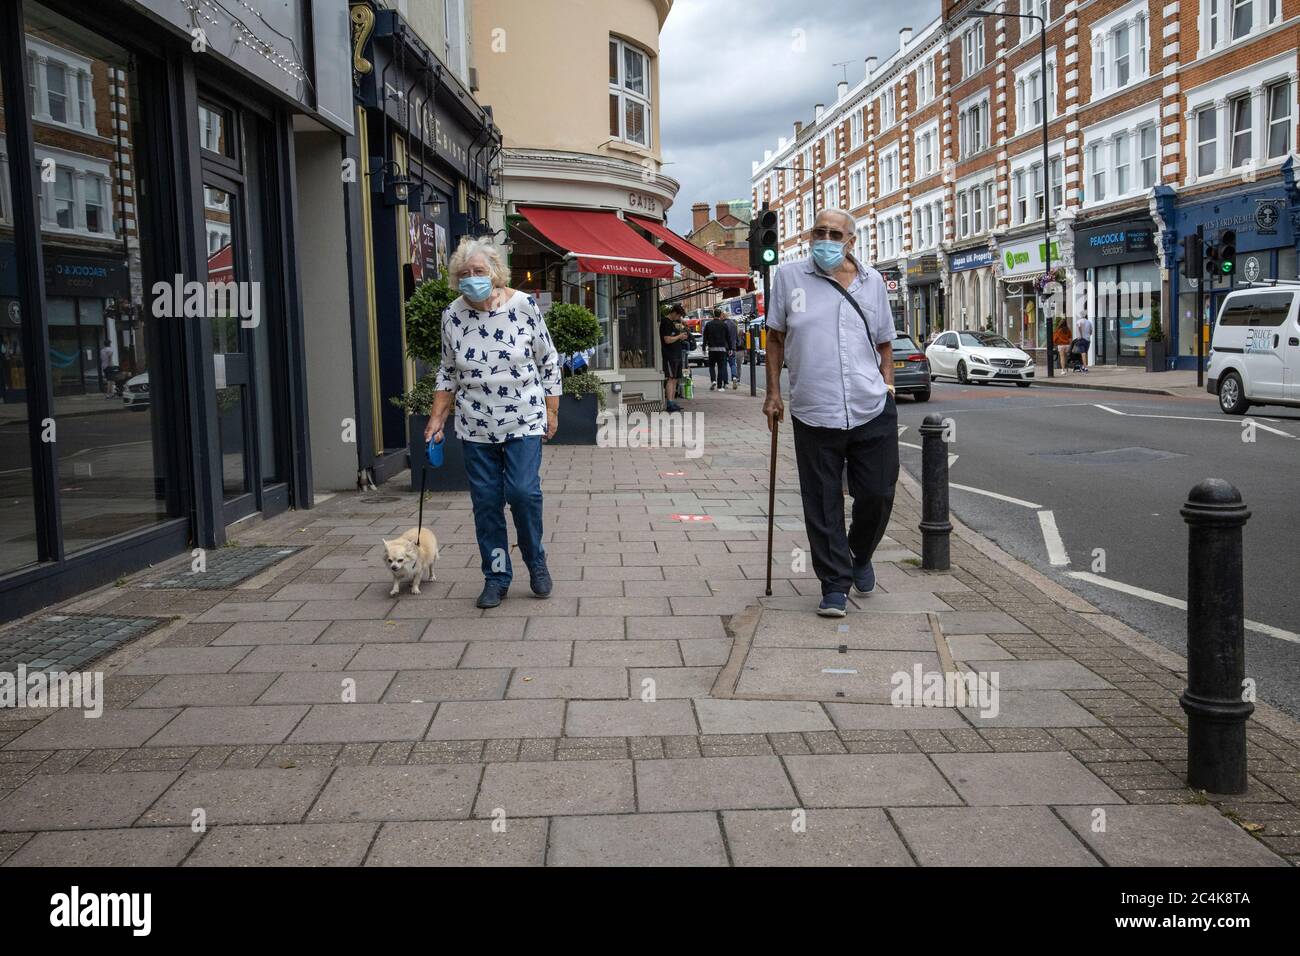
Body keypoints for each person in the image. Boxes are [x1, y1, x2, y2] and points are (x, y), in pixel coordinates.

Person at [763, 208, 898, 618]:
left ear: (850, 241)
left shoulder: (873, 282)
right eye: (818, 231)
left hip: (870, 405)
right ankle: (834, 584)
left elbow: (885, 343)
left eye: (834, 233)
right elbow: (775, 337)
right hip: (813, 407)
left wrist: (889, 386)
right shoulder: (788, 278)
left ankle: (860, 551)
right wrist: (773, 393)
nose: (825, 238)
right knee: (822, 502)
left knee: (878, 492)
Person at [424, 237, 560, 609]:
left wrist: (552, 411)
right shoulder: (452, 314)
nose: (471, 278)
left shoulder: (523, 306)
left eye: (479, 272)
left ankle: (536, 560)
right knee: (486, 503)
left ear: (496, 273)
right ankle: (497, 577)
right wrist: (437, 418)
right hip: (475, 424)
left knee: (522, 493)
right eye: (464, 274)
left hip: (523, 418)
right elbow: (448, 370)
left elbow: (548, 360)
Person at [659, 304, 689, 412]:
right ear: (675, 313)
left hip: (676, 355)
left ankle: (672, 401)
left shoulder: (672, 323)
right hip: (670, 355)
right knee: (671, 379)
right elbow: (667, 339)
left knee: (675, 378)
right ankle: (669, 403)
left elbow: (673, 338)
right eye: (679, 316)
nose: (679, 318)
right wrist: (679, 336)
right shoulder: (665, 322)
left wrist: (680, 337)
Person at [703, 308, 733, 390]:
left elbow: (705, 337)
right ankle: (720, 386)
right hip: (722, 349)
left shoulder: (708, 324)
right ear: (720, 315)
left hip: (712, 349)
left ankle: (713, 380)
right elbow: (728, 338)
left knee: (711, 366)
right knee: (721, 367)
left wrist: (703, 348)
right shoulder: (724, 325)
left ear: (713, 315)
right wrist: (730, 348)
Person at [725, 312, 741, 389]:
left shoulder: (723, 324)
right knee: (733, 364)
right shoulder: (734, 325)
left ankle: (725, 382)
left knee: (723, 365)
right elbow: (737, 338)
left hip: (724, 348)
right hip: (733, 348)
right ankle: (734, 377)